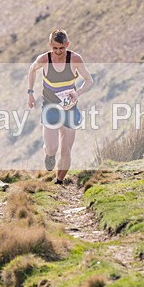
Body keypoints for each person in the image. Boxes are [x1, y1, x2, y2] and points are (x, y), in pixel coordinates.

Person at [27, 30, 94, 184]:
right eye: (55, 48)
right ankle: (49, 155)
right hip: (50, 108)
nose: (58, 52)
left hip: (70, 109)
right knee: (52, 148)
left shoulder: (75, 59)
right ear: (50, 45)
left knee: (66, 151)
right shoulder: (44, 59)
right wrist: (30, 93)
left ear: (67, 45)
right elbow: (32, 69)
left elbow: (89, 80)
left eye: (62, 48)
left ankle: (59, 181)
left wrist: (78, 93)